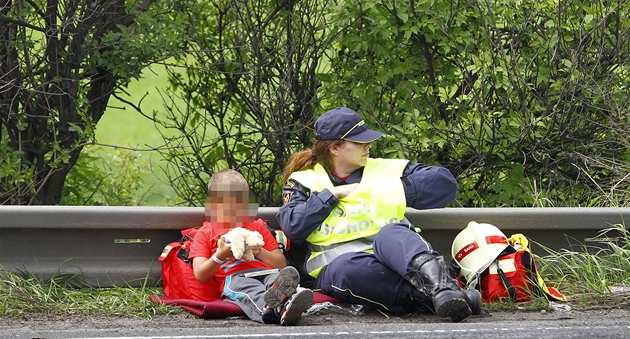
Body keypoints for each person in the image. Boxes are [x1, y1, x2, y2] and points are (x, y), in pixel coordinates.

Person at [277, 107, 481, 322]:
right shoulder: (304, 181)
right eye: (359, 142)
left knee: (392, 233)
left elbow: (445, 183)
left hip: (398, 260)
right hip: (346, 269)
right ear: (335, 147)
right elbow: (293, 226)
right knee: (346, 270)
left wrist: (382, 190)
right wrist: (331, 196)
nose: (368, 145)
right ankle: (447, 299)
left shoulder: (386, 170)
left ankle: (443, 290)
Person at [189, 169, 313, 326]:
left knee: (278, 278)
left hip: (267, 272)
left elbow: (280, 263)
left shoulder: (258, 226)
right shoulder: (205, 233)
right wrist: (219, 256)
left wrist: (259, 251)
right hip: (236, 277)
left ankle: (289, 301)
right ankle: (271, 310)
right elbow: (200, 274)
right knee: (251, 291)